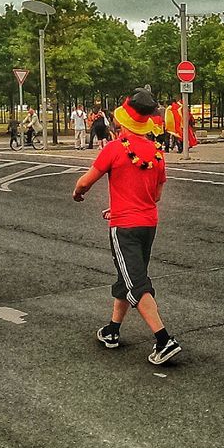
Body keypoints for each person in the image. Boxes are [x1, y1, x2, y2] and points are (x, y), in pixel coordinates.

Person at [72, 89, 181, 365]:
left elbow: (86, 181)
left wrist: (78, 193)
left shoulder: (115, 149)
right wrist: (120, 205)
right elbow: (155, 196)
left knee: (136, 283)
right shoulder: (157, 154)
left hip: (125, 227)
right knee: (129, 275)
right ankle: (112, 329)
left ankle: (163, 339)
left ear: (123, 122)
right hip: (148, 224)